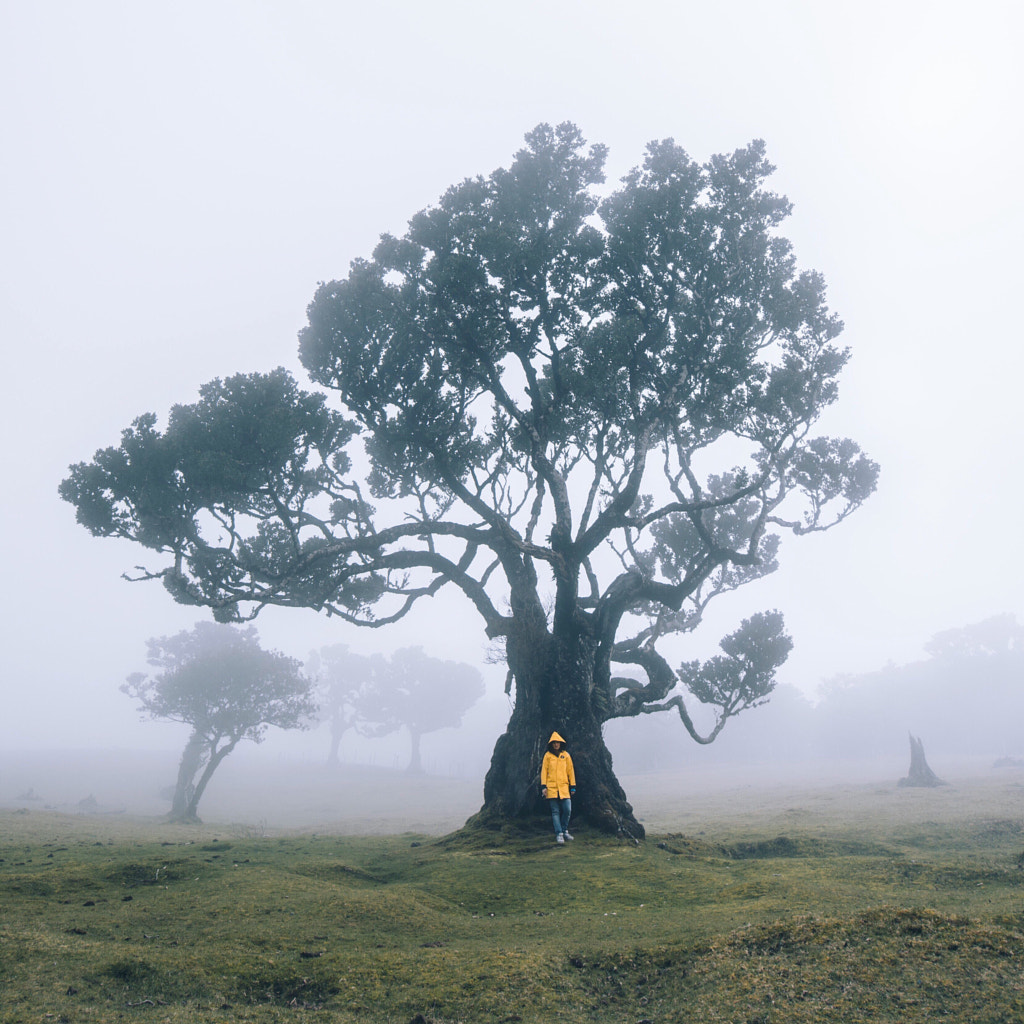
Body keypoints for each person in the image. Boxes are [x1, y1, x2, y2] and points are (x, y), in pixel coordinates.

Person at [540, 731, 576, 844]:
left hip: (564, 787)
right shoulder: (547, 756)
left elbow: (570, 771)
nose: (556, 744)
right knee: (555, 811)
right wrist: (543, 786)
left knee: (567, 810)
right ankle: (559, 833)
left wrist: (573, 786)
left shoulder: (566, 755)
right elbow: (544, 772)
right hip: (551, 788)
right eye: (554, 742)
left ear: (561, 743)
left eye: (558, 742)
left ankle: (564, 830)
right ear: (551, 744)